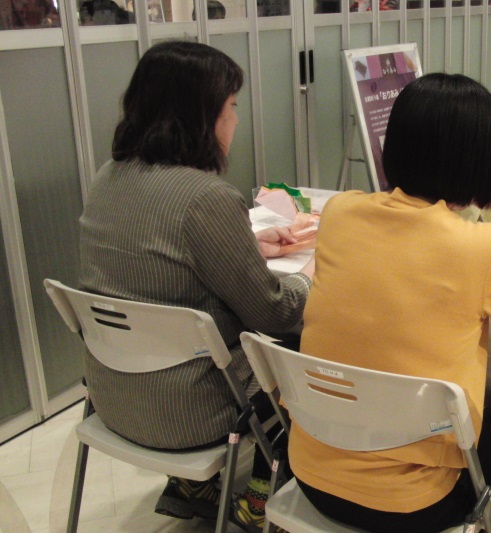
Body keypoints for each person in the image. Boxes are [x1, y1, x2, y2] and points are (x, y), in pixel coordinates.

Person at [289, 72, 491, 532]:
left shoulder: (338, 213)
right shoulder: (486, 247)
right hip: (412, 505)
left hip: (311, 478)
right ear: (481, 158)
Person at [78, 40, 314, 532]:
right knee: (305, 368)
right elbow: (273, 312)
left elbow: (160, 263)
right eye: (230, 107)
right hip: (192, 413)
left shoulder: (108, 178)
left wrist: (247, 247)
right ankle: (257, 496)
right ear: (200, 115)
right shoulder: (205, 196)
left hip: (113, 396)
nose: (235, 120)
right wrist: (314, 276)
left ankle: (194, 488)